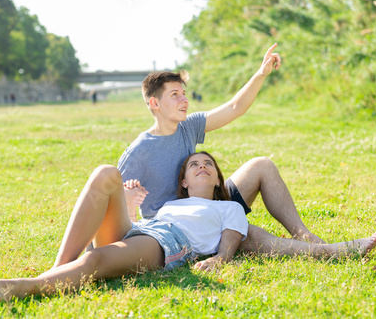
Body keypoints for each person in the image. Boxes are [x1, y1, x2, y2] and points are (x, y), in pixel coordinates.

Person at [0, 152, 376, 302]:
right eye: (194, 165)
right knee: (105, 173)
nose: (202, 165)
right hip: (147, 228)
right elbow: (141, 224)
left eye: (209, 164)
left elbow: (233, 238)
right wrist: (131, 205)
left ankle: (30, 286)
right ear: (185, 182)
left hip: (166, 243)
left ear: (219, 180)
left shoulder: (226, 209)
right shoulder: (172, 202)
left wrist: (222, 259)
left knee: (100, 260)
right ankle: (54, 269)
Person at [117, 43, 326, 251]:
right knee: (249, 235)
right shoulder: (138, 152)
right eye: (175, 95)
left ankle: (303, 234)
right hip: (176, 228)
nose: (185, 100)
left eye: (183, 93)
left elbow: (235, 107)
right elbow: (116, 204)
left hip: (209, 204)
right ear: (155, 103)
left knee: (262, 165)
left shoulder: (188, 126)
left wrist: (261, 74)